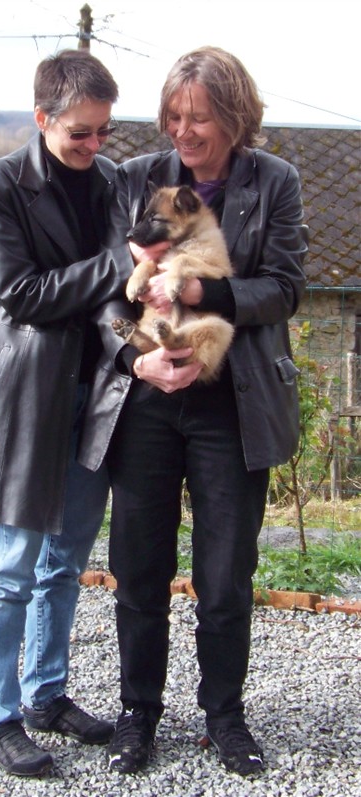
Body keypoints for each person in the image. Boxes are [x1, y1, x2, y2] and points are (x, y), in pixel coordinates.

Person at [79, 46, 308, 777]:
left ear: (235, 117)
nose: (183, 130)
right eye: (174, 116)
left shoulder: (274, 182)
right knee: (138, 567)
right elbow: (107, 296)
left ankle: (225, 714)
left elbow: (285, 288)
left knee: (226, 571)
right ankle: (137, 713)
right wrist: (132, 357)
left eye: (200, 118)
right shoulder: (138, 178)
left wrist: (205, 296)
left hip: (230, 400)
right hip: (147, 395)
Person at [0, 49, 143, 779]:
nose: (95, 148)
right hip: (28, 397)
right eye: (80, 134)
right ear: (43, 120)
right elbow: (26, 294)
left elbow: (115, 297)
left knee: (66, 560)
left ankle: (46, 692)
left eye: (104, 133)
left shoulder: (114, 182)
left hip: (97, 390)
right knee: (11, 565)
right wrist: (119, 264)